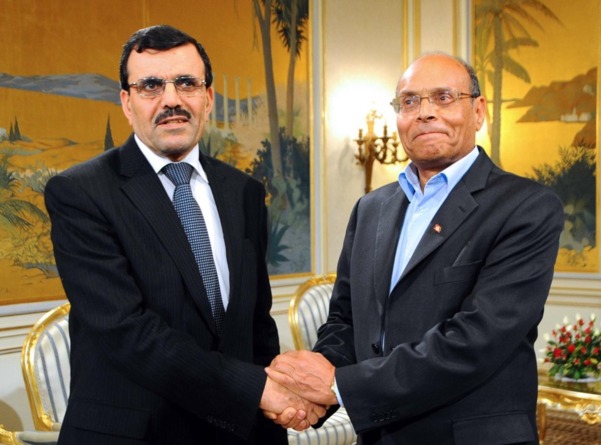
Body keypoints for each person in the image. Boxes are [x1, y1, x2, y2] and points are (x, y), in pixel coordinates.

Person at [266, 52, 565, 444]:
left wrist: (339, 386)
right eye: (409, 101)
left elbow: (477, 339)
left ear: (478, 111)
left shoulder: (526, 206)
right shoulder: (370, 208)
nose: (425, 112)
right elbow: (345, 320)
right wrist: (310, 395)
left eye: (443, 97)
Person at [44, 24, 323, 445]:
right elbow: (128, 332)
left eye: (187, 83)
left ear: (208, 98)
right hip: (135, 434)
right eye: (151, 86)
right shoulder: (80, 192)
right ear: (127, 102)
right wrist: (259, 391)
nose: (171, 100)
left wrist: (278, 411)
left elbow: (255, 324)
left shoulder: (244, 191)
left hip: (237, 431)